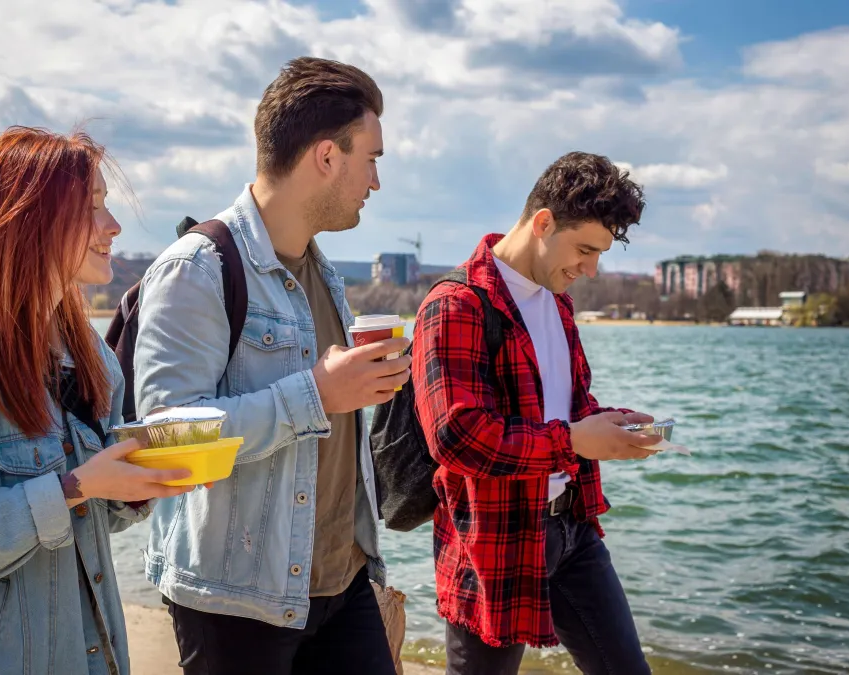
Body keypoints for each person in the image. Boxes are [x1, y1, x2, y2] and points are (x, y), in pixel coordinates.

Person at [0, 126, 203, 675]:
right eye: (91, 207)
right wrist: (76, 486)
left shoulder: (83, 350)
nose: (113, 226)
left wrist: (145, 482)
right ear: (29, 221)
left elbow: (87, 518)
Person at [130, 57, 407, 675]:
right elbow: (161, 442)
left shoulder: (324, 272)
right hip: (238, 602)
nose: (376, 181)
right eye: (373, 158)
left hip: (345, 580)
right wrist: (316, 394)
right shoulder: (196, 268)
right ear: (327, 157)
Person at [411, 151, 662, 675]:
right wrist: (573, 441)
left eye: (601, 254)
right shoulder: (455, 303)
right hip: (493, 541)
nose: (592, 269)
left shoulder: (558, 300)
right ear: (543, 223)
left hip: (573, 525)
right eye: (585, 249)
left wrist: (610, 426)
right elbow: (456, 437)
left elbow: (566, 407)